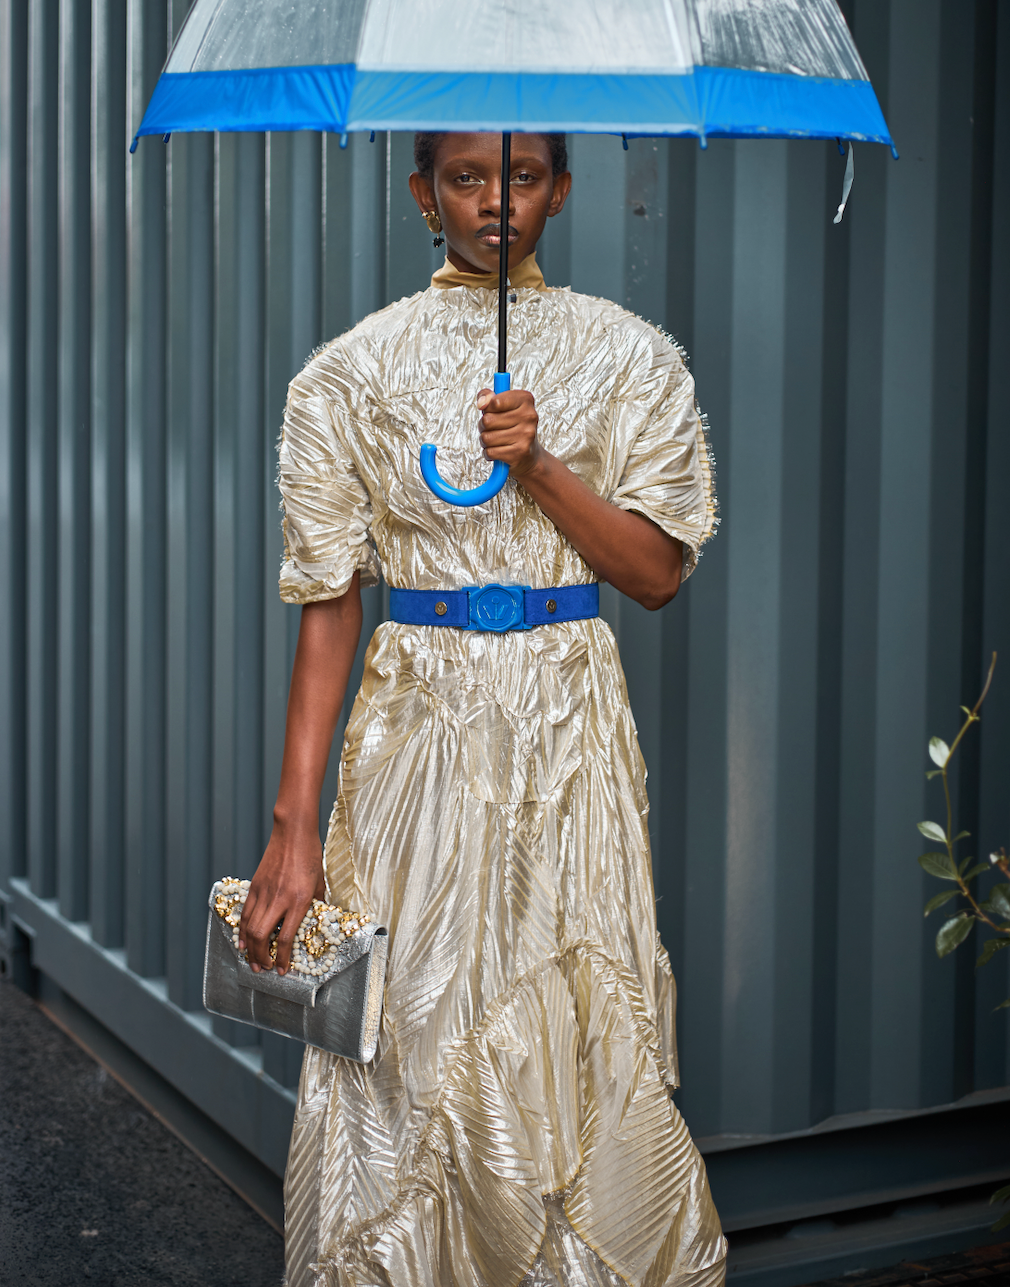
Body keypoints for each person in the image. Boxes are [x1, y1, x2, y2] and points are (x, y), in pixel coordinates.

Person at [238, 131, 726, 1287]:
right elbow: (327, 610)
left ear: (559, 187)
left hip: (571, 728)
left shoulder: (633, 356)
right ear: (423, 194)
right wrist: (293, 829)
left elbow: (655, 574)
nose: (493, 201)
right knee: (410, 1016)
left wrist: (541, 465)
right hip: (419, 729)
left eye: (519, 176)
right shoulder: (345, 376)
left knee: (576, 1002)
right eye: (465, 177)